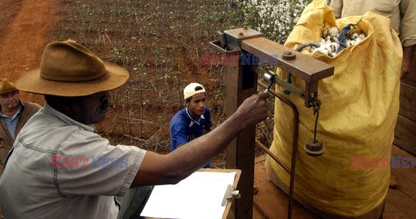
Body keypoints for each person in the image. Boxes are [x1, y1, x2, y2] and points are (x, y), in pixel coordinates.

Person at [0, 40, 269, 218]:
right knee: (161, 182)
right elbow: (171, 169)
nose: (108, 100)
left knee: (144, 183)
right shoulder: (67, 149)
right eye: (98, 95)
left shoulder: (40, 121)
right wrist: (240, 119)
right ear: (69, 98)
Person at [330, 0, 416, 189]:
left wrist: (407, 59)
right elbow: (334, 10)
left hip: (384, 54)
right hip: (347, 51)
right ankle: (344, 166)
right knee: (345, 108)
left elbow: (412, 14)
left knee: (380, 115)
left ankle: (378, 172)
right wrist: (328, 46)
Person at [0, 78, 41, 167]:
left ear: (18, 93)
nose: (11, 98)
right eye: (5, 96)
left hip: (34, 165)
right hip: (7, 169)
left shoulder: (35, 110)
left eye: (13, 93)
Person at [170, 83, 212, 152]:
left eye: (203, 100)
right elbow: (182, 150)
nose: (202, 105)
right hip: (183, 160)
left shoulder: (205, 111)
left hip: (202, 155)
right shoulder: (179, 123)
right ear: (186, 103)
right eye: (196, 101)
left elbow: (207, 129)